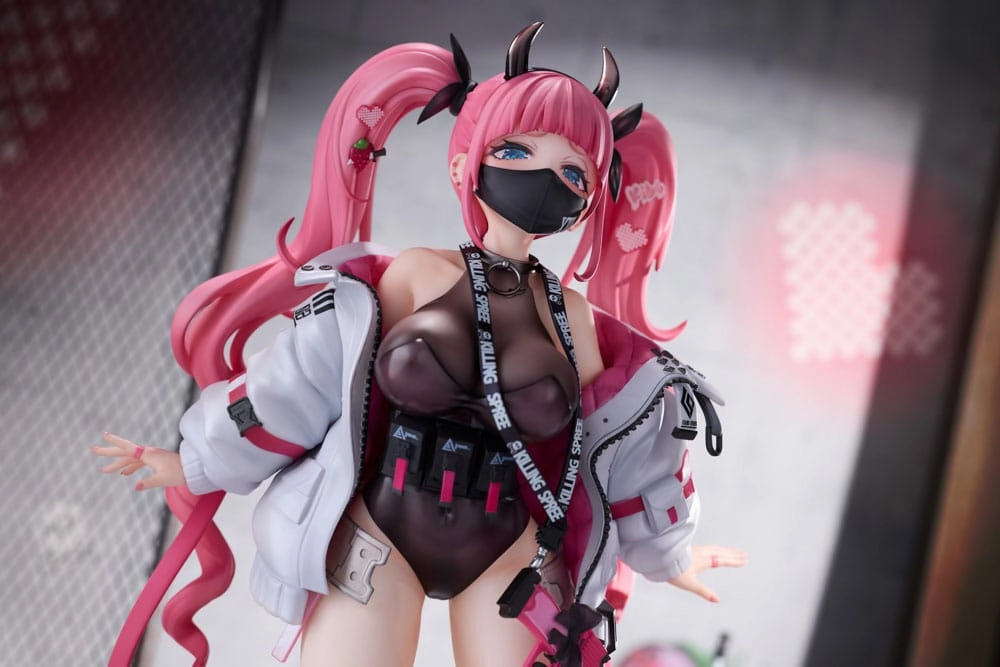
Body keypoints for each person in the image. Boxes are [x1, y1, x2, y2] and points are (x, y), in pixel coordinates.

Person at [93, 22, 745, 667]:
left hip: (512, 550)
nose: (546, 178)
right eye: (518, 152)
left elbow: (624, 452)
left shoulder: (575, 320)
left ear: (587, 202)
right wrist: (201, 459)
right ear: (465, 162)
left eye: (572, 172)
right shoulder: (415, 275)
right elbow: (303, 379)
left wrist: (671, 553)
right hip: (380, 531)